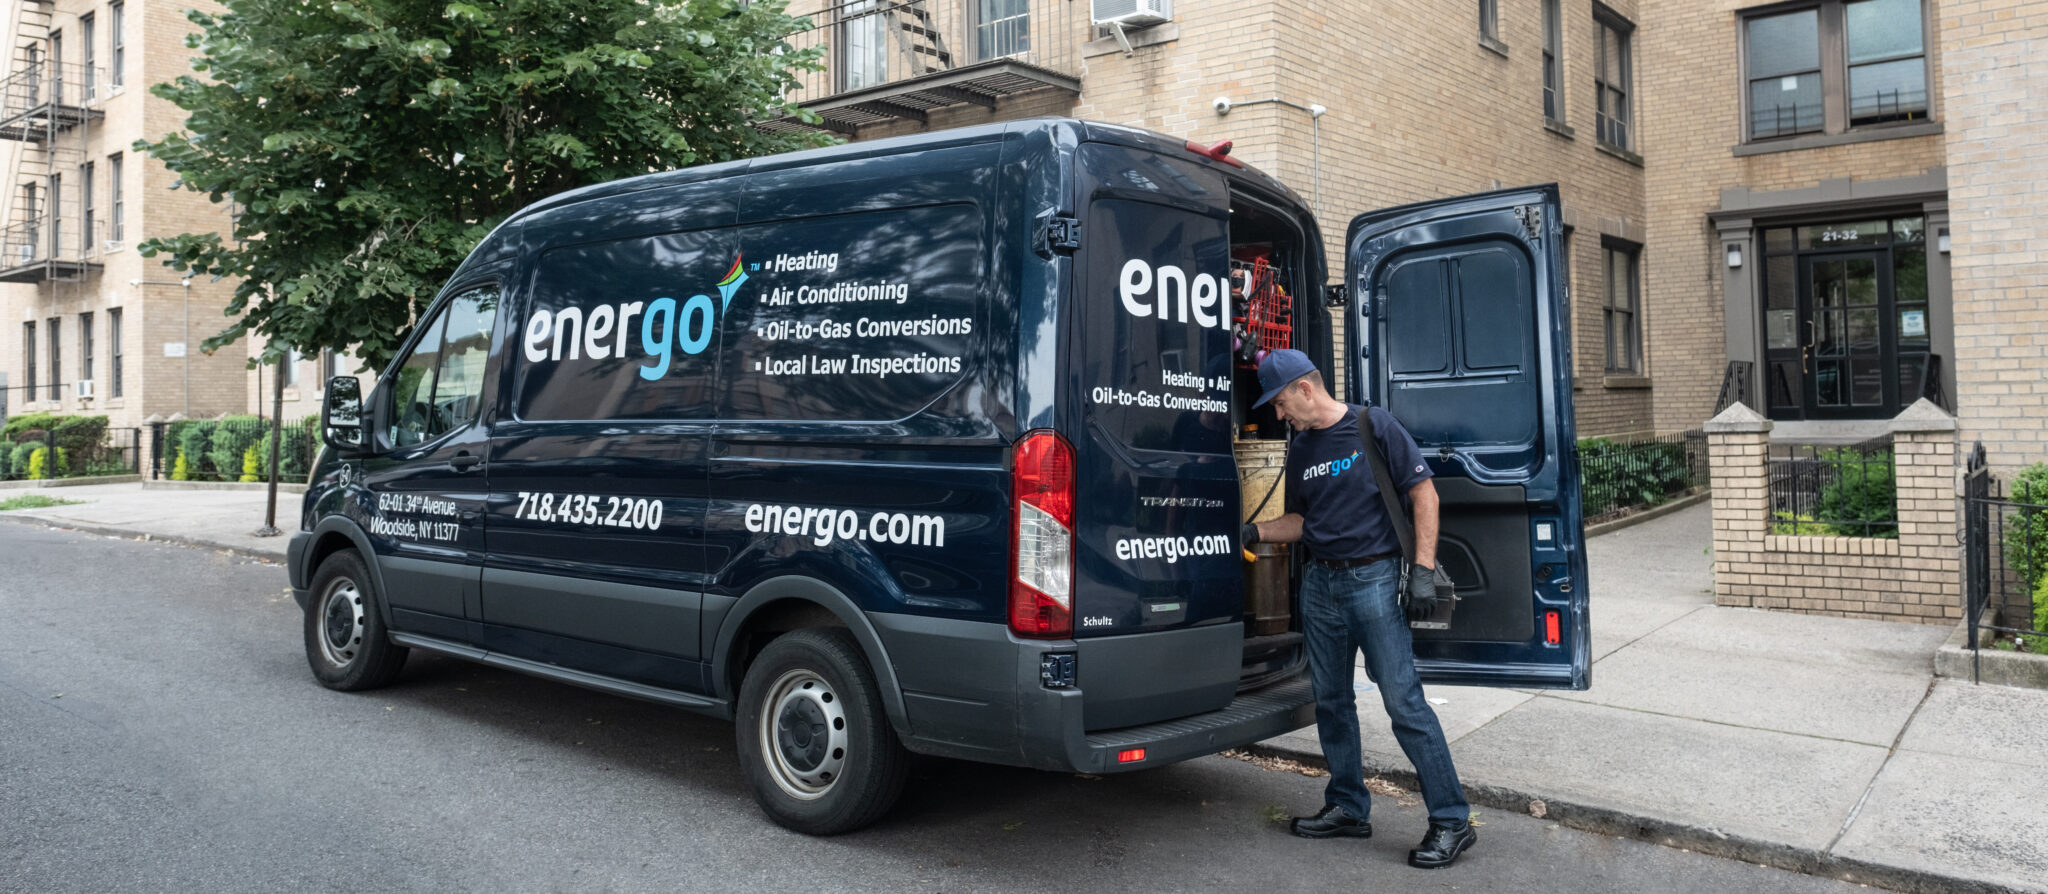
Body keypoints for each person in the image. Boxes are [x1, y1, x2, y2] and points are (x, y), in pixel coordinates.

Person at [1239, 348, 1476, 870]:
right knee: (1331, 701)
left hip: (1373, 580)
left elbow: (1424, 493)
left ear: (1305, 388)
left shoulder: (1373, 425)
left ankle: (1452, 820)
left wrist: (1420, 569)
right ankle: (1347, 806)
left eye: (1281, 404)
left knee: (1403, 703)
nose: (1280, 416)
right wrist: (1255, 530)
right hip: (1321, 585)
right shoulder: (1301, 449)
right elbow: (1302, 520)